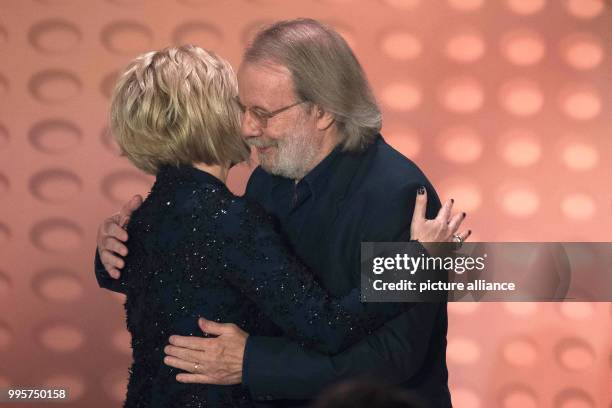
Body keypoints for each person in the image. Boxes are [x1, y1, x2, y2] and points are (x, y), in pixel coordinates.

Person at [96, 19, 470, 407]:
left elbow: (393, 357)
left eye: (262, 112)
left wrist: (255, 362)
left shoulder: (398, 194)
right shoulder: (265, 180)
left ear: (322, 111)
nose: (247, 128)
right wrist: (114, 252)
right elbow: (206, 271)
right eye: (243, 109)